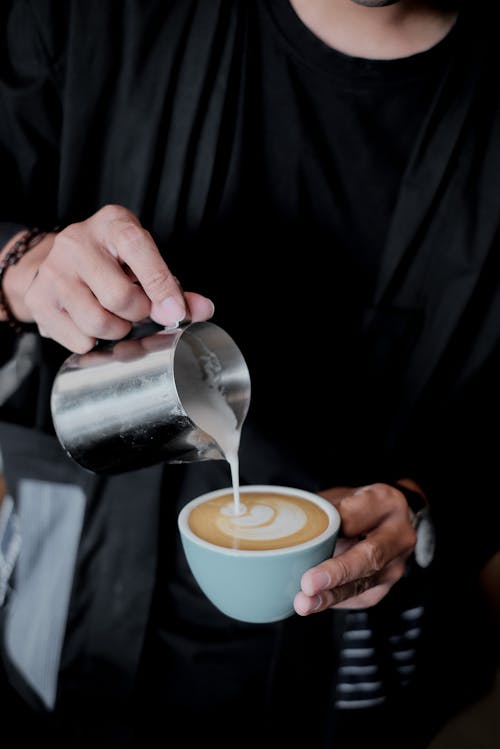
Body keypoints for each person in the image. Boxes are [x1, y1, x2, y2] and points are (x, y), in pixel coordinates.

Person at [0, 0, 498, 747]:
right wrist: (20, 266)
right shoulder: (91, 16)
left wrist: (427, 509)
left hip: (358, 684)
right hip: (60, 621)